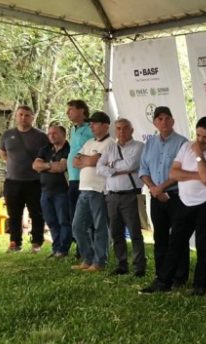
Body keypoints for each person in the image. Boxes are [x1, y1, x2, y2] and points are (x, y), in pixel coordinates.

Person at [139, 116, 206, 296]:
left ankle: (200, 286)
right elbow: (174, 173)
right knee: (175, 242)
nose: (201, 140)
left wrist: (199, 156)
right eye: (198, 135)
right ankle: (163, 281)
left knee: (203, 245)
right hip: (185, 202)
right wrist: (199, 174)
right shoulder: (186, 146)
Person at [138, 106, 190, 286]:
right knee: (160, 237)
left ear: (173, 121)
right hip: (155, 197)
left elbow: (182, 171)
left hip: (177, 197)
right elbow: (143, 169)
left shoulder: (182, 143)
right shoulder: (150, 143)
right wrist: (154, 188)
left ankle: (180, 277)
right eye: (160, 119)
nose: (164, 122)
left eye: (167, 118)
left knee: (178, 237)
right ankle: (161, 275)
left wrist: (161, 188)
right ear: (154, 123)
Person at [97, 118, 146, 277]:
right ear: (115, 131)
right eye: (118, 128)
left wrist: (111, 166)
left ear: (132, 130)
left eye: (125, 128)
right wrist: (115, 168)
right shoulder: (110, 147)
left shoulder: (139, 146)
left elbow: (131, 165)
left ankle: (139, 267)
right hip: (112, 196)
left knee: (135, 232)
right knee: (116, 233)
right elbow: (99, 167)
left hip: (131, 195)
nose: (122, 131)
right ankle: (121, 264)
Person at [0, 105, 50, 253]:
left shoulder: (40, 136)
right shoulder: (8, 134)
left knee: (36, 213)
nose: (23, 118)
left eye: (27, 115)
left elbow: (48, 155)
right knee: (14, 213)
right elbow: (3, 153)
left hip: (34, 181)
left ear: (32, 118)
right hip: (12, 181)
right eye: (20, 115)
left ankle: (37, 242)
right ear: (16, 116)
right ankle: (15, 242)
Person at [71, 111, 113, 272]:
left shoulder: (110, 143)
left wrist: (87, 160)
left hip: (98, 190)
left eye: (95, 123)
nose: (91, 126)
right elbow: (75, 161)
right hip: (83, 189)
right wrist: (88, 161)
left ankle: (100, 261)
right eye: (91, 124)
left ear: (105, 125)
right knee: (77, 227)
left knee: (99, 227)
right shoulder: (89, 142)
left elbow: (96, 161)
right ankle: (87, 258)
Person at [32, 124, 71, 258]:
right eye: (49, 133)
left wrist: (44, 166)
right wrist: (50, 165)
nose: (51, 136)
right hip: (45, 191)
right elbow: (35, 165)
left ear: (63, 135)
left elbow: (61, 167)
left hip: (62, 192)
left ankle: (63, 249)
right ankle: (56, 248)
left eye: (54, 133)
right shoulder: (45, 149)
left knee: (63, 221)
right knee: (51, 221)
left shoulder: (68, 148)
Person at [66, 99, 94, 257]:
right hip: (73, 178)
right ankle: (80, 248)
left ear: (82, 110)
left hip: (86, 179)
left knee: (85, 216)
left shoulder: (91, 128)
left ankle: (88, 250)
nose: (67, 113)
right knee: (74, 215)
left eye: (71, 109)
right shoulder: (73, 129)